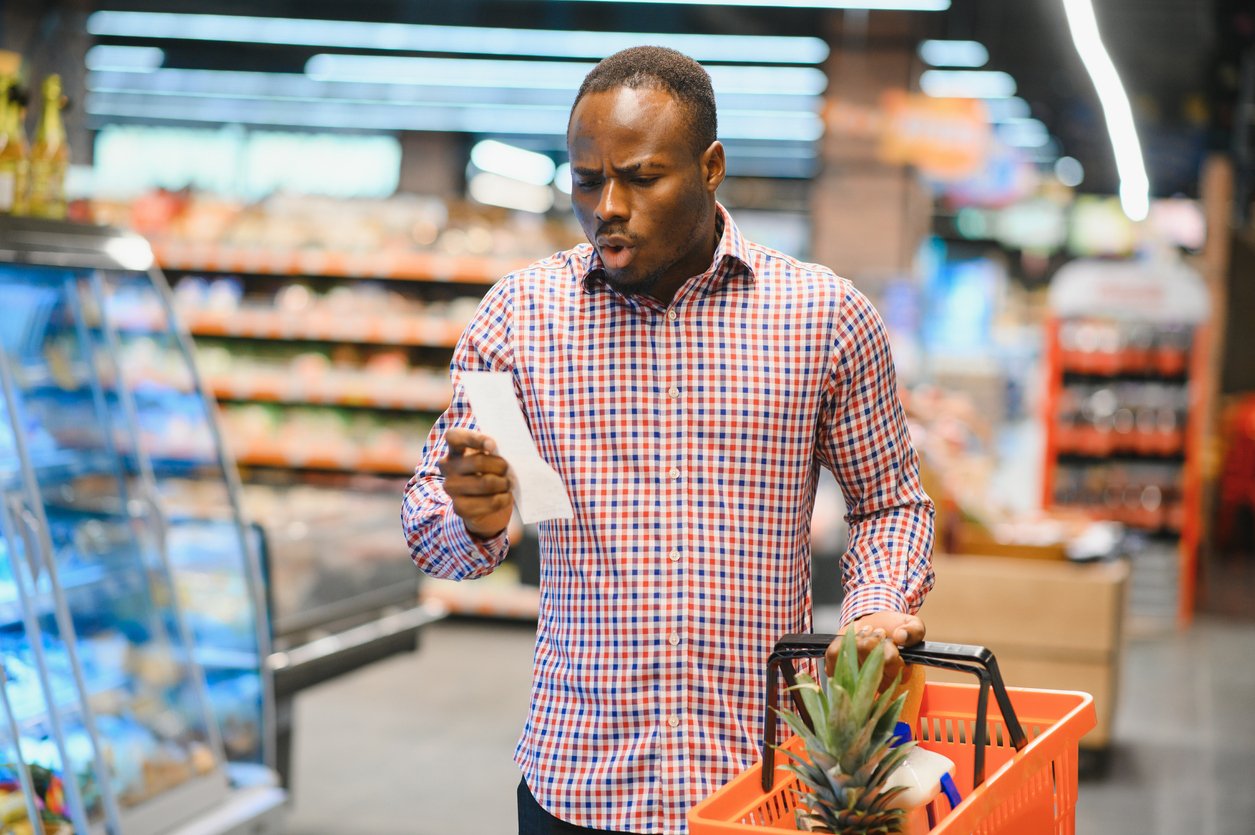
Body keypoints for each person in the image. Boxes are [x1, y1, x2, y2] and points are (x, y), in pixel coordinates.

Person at [403, 45, 934, 835]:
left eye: (642, 178)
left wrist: (874, 608)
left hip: (762, 781)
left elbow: (889, 502)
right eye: (587, 180)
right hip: (579, 779)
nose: (607, 205)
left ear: (709, 166)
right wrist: (473, 519)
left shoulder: (822, 317)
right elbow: (438, 535)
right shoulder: (520, 320)